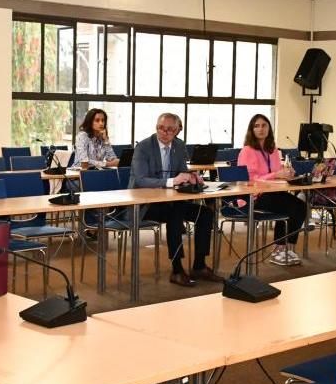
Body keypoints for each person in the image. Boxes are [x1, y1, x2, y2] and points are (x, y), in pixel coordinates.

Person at [129, 113, 223, 287]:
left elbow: (182, 171)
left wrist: (191, 177)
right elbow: (141, 179)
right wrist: (173, 181)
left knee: (205, 214)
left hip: (172, 200)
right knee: (175, 214)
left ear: (177, 131)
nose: (164, 132)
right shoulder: (143, 147)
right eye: (160, 128)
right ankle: (177, 269)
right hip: (144, 204)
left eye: (170, 129)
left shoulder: (179, 145)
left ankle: (199, 265)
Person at [236, 114, 309, 266]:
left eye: (264, 125)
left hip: (272, 193)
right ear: (251, 130)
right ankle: (279, 250)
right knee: (290, 206)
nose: (261, 129)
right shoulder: (247, 151)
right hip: (253, 196)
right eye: (257, 126)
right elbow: (248, 180)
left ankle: (285, 248)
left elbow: (276, 174)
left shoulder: (273, 150)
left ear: (269, 128)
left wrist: (287, 174)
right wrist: (276, 174)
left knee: (300, 206)